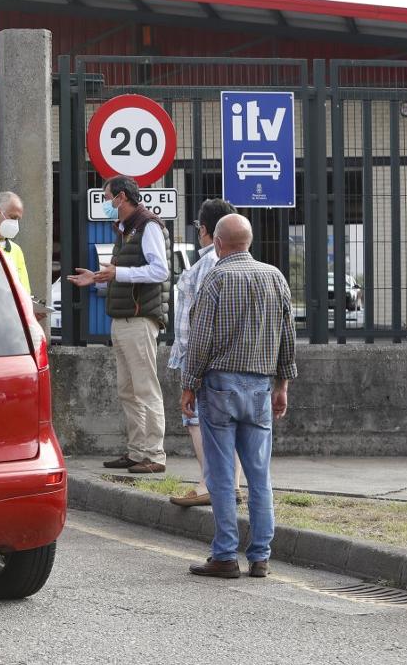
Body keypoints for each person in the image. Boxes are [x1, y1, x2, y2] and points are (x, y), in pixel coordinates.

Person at [182, 213, 296, 580]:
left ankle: (225, 554)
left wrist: (189, 382)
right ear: (249, 242)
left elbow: (199, 341)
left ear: (217, 243)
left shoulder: (215, 278)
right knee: (259, 475)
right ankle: (261, 556)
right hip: (260, 386)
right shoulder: (275, 277)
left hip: (219, 386)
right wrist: (282, 385)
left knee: (220, 473)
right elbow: (287, 337)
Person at [66, 176, 171, 474]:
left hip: (139, 320)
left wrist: (117, 273)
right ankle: (137, 451)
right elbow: (122, 270)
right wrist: (98, 276)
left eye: (107, 197)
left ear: (121, 197)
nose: (106, 203)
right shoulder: (126, 229)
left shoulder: (148, 225)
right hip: (123, 319)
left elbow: (159, 270)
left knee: (145, 388)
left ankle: (154, 454)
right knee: (127, 390)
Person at [166, 199, 244, 507]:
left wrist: (188, 366)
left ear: (204, 230)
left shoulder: (205, 266)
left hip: (203, 357)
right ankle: (232, 484)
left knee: (197, 421)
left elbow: (194, 322)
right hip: (234, 356)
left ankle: (208, 483)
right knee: (231, 423)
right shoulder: (242, 264)